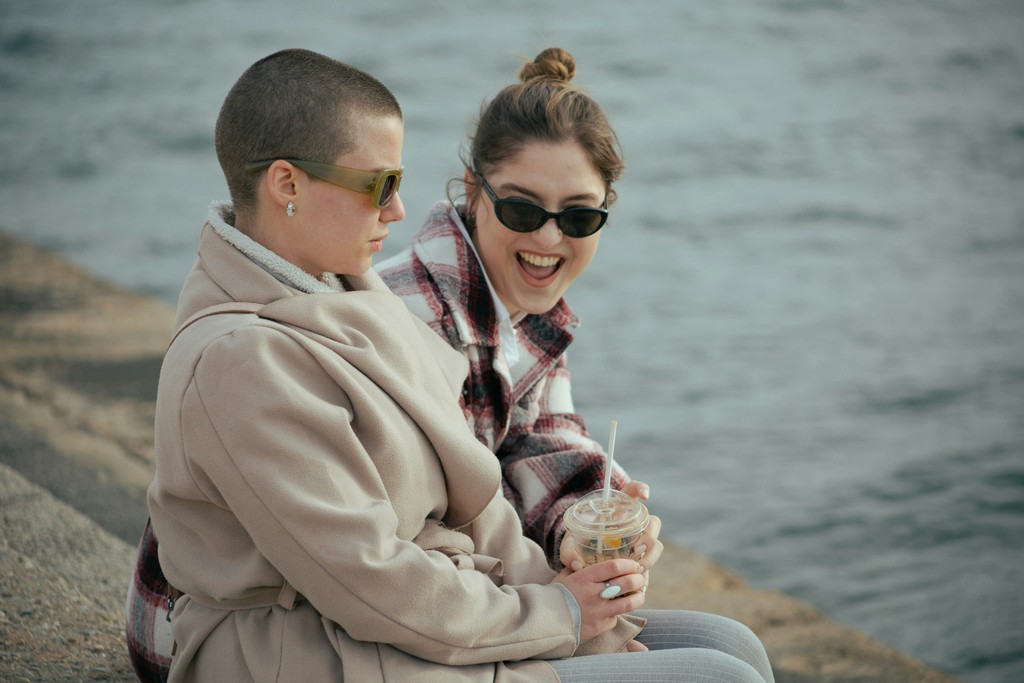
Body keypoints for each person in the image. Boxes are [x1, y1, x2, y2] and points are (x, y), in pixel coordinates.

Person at [131, 47, 775, 682]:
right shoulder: (241, 360)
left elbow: (481, 498)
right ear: (287, 184)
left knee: (731, 646)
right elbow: (369, 577)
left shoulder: (352, 296)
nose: (397, 212)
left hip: (424, 615)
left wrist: (575, 594)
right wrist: (559, 617)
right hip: (309, 648)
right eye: (379, 185)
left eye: (579, 216)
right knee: (721, 677)